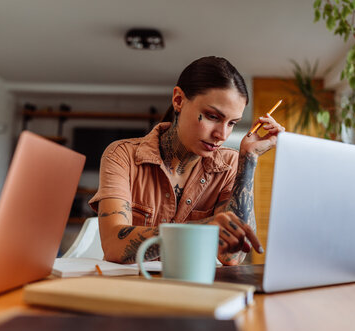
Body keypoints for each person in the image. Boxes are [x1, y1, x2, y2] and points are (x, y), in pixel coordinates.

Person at [89, 56, 284, 265]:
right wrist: (202, 228)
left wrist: (249, 159)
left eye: (232, 123)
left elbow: (232, 257)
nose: (222, 134)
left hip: (195, 291)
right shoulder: (122, 155)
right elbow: (113, 246)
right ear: (178, 100)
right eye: (212, 116)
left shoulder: (229, 165)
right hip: (132, 290)